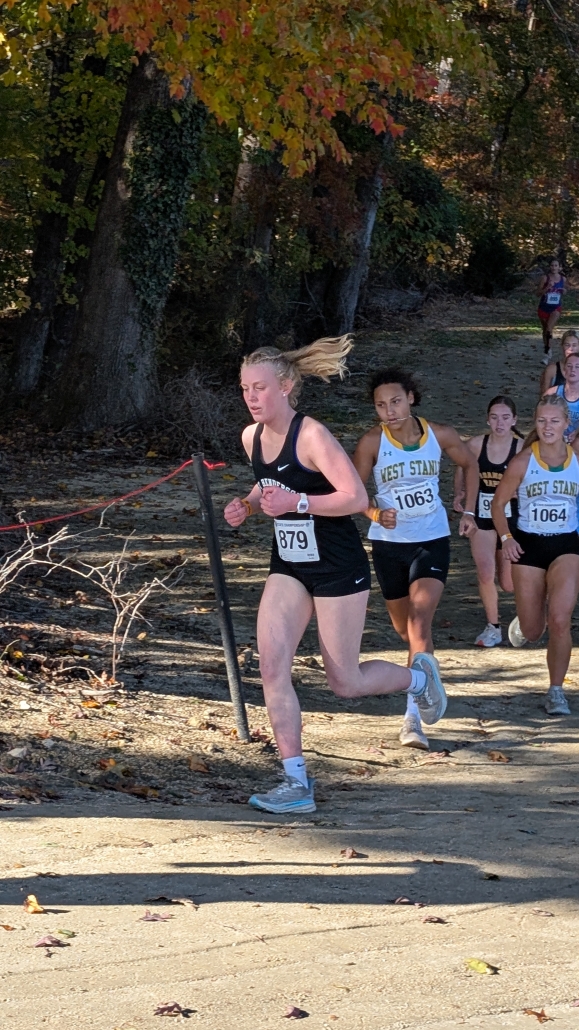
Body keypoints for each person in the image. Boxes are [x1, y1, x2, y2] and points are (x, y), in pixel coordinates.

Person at [224, 338, 448, 814]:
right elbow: (270, 482)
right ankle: (295, 781)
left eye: (260, 388)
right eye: (245, 389)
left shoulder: (312, 436)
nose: (251, 397)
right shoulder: (251, 437)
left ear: (285, 387)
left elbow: (352, 497)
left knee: (343, 680)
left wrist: (298, 503)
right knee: (270, 665)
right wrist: (246, 504)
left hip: (336, 563)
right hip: (288, 563)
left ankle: (417, 681)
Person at [352, 367, 477, 751]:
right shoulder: (371, 443)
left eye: (395, 401)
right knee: (407, 631)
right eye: (380, 405)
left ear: (411, 398)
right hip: (389, 545)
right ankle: (426, 675)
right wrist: (374, 514)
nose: (389, 410)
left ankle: (412, 720)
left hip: (432, 539)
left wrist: (468, 511)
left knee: (421, 622)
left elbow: (470, 464)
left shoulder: (440, 435)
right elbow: (355, 494)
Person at [492, 394, 579, 716]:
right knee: (532, 631)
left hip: (566, 546)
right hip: (528, 545)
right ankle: (528, 618)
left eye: (555, 421)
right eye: (542, 421)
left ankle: (556, 691)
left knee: (560, 619)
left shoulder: (576, 460)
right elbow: (497, 505)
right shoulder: (523, 461)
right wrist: (506, 538)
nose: (548, 427)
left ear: (567, 425)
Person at [454, 396, 523, 647]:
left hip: (511, 516)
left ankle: (532, 609)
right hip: (482, 514)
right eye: (494, 417)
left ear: (514, 420)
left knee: (508, 583)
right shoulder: (475, 445)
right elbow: (463, 467)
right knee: (485, 571)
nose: (500, 423)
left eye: (505, 418)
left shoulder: (522, 448)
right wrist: (460, 494)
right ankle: (493, 627)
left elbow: (535, 477)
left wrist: (519, 491)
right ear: (487, 419)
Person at [537, 258, 566, 364]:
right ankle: (547, 350)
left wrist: (564, 291)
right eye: (552, 265)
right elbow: (538, 293)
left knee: (549, 329)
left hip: (556, 307)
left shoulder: (563, 279)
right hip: (544, 307)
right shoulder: (545, 278)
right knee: (545, 330)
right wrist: (547, 288)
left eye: (556, 265)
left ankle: (546, 354)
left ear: (560, 267)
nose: (554, 267)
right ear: (550, 267)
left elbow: (563, 291)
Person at [546, 352, 579, 442]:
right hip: (555, 441)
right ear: (564, 371)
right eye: (569, 366)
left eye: (577, 367)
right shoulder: (552, 393)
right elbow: (541, 419)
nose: (573, 370)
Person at [540, 329, 579, 396]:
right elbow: (543, 399)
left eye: (574, 345)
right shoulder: (552, 370)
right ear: (562, 346)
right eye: (567, 345)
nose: (570, 348)